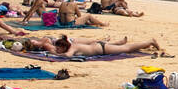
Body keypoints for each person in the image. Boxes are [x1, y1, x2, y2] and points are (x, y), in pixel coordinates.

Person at [20, 34, 165, 57]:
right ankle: (147, 45)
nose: (57, 49)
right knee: (128, 48)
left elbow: (67, 56)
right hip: (99, 47)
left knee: (126, 48)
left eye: (59, 47)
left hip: (102, 48)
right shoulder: (72, 45)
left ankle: (150, 42)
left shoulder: (72, 48)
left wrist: (55, 54)